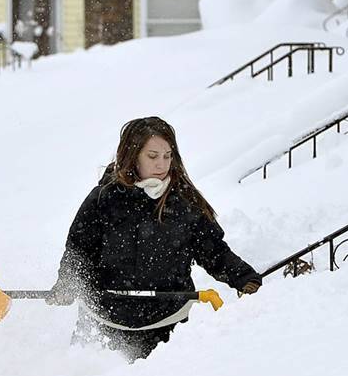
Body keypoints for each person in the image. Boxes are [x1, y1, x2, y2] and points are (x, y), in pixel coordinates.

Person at [48, 116, 262, 361]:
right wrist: (68, 283)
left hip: (167, 328)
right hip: (102, 324)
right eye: (152, 156)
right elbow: (78, 251)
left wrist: (245, 279)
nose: (162, 164)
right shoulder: (103, 199)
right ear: (133, 155)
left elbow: (214, 251)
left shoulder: (185, 203)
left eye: (167, 156)